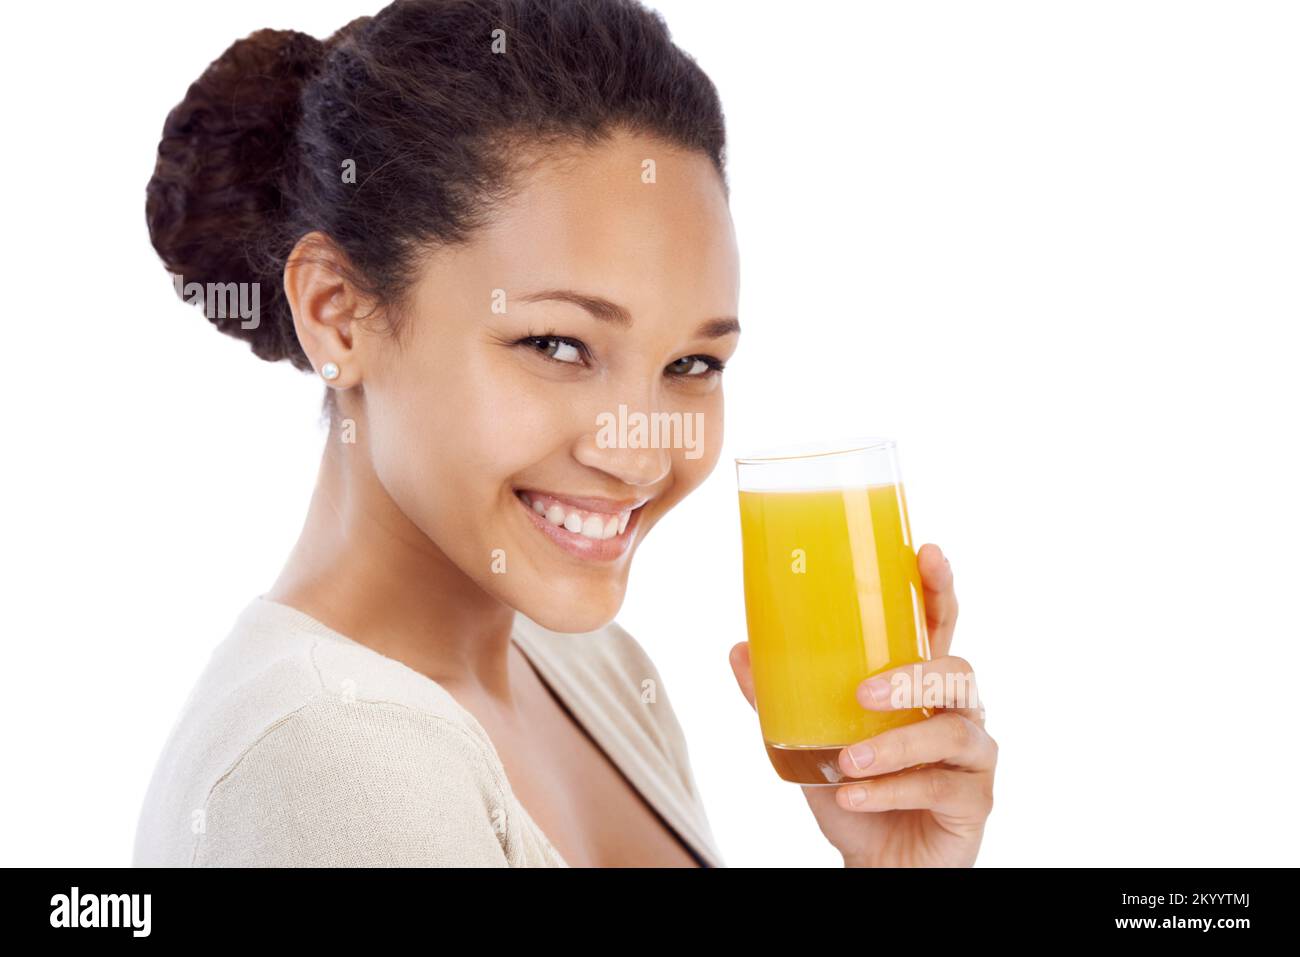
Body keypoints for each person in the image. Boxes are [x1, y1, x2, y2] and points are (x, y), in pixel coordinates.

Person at [133, 0, 996, 868]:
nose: (641, 452)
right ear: (337, 314)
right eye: (556, 344)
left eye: (693, 363)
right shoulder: (330, 757)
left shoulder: (598, 674)